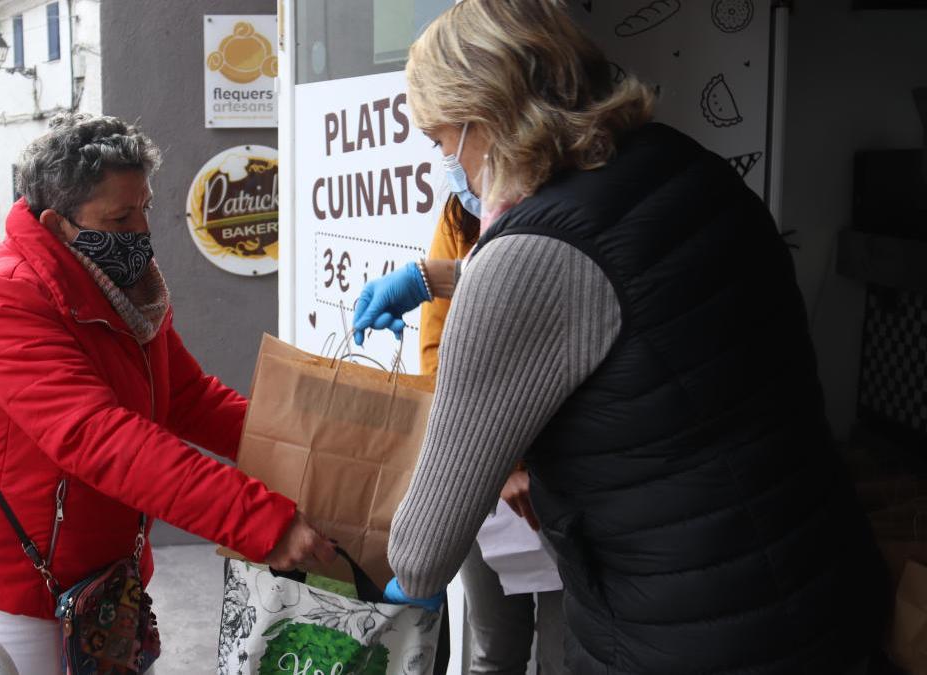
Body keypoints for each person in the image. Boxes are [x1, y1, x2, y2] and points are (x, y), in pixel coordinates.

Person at [355, 2, 889, 673]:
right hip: (821, 581)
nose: (445, 161)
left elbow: (425, 549)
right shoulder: (687, 168)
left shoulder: (523, 259)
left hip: (685, 634)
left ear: (481, 116)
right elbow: (627, 287)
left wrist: (397, 578)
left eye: (440, 140)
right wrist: (438, 277)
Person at [0, 113, 335, 675]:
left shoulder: (125, 287)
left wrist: (311, 452)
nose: (141, 229)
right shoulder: (9, 297)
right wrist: (257, 520)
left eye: (144, 207)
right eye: (120, 217)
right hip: (13, 593)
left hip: (102, 580)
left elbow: (188, 399)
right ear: (57, 223)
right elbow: (97, 437)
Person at [420, 196, 567, 675]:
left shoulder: (572, 199)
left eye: (446, 138)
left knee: (564, 654)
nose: (449, 158)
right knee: (494, 650)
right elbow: (440, 351)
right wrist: (496, 464)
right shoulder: (458, 215)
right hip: (484, 479)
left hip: (568, 475)